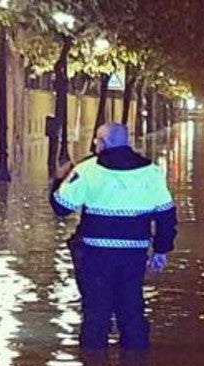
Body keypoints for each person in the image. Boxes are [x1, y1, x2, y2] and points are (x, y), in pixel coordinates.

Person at [49, 123, 178, 350]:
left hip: (94, 256)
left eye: (97, 141)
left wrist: (60, 179)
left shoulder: (88, 169)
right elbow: (167, 216)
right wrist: (161, 250)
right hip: (133, 255)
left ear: (104, 143)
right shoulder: (152, 172)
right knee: (132, 309)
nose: (95, 145)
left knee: (96, 313)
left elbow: (62, 207)